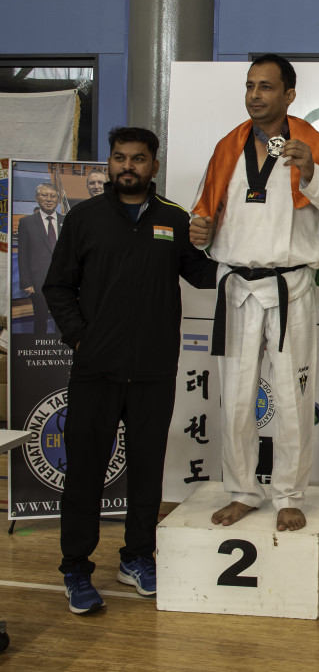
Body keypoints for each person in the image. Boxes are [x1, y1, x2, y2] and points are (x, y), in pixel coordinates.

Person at [43, 126, 219, 614]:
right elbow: (57, 286)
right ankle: (76, 569)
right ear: (110, 163)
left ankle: (138, 558)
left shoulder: (174, 219)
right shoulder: (84, 218)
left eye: (137, 159)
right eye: (120, 157)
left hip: (153, 372)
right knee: (84, 473)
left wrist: (231, 246)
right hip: (95, 370)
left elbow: (203, 274)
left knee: (146, 472)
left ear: (153, 166)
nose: (127, 166)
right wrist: (81, 338)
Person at [190, 54, 319, 533]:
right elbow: (204, 213)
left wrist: (311, 174)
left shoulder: (311, 145)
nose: (255, 95)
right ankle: (243, 491)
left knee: (292, 397)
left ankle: (288, 494)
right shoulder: (227, 147)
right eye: (250, 86)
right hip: (236, 287)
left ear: (289, 94)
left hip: (290, 287)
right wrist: (199, 232)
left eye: (266, 87)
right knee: (235, 399)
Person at [18, 183, 64, 334]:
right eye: (44, 195)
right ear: (37, 198)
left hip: (63, 282)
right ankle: (39, 345)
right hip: (38, 282)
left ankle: (60, 345)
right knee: (40, 319)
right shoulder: (26, 222)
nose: (49, 199)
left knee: (62, 319)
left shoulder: (67, 221)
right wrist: (26, 282)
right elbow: (23, 254)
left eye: (53, 196)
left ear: (58, 200)